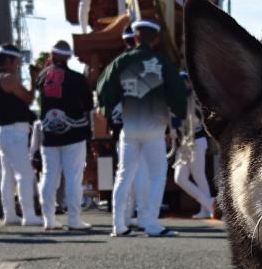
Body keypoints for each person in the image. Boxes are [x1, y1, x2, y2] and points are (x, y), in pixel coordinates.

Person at [96, 18, 187, 237]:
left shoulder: (121, 62)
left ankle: (118, 224)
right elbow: (177, 93)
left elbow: (103, 87)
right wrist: (179, 117)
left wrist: (107, 111)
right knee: (157, 174)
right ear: (155, 39)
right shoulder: (162, 63)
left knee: (124, 174)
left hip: (129, 127)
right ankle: (150, 223)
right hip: (154, 127)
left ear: (135, 37)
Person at [36, 40, 94, 231]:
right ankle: (74, 219)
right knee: (73, 177)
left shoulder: (42, 76)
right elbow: (88, 107)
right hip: (74, 132)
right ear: (69, 56)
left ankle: (48, 219)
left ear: (52, 55)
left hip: (48, 133)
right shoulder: (77, 78)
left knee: (49, 176)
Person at [0, 43, 42, 226]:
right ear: (9, 60)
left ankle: (10, 215)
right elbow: (28, 98)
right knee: (24, 175)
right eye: (17, 60)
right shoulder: (9, 79)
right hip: (13, 132)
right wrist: (34, 80)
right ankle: (29, 215)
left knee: (8, 175)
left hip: (3, 131)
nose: (19, 64)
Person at [171, 71, 214, 219]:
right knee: (180, 178)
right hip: (185, 143)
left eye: (185, 82)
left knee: (198, 176)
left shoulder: (195, 101)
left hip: (196, 141)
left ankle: (207, 208)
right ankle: (208, 203)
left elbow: (192, 121)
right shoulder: (178, 100)